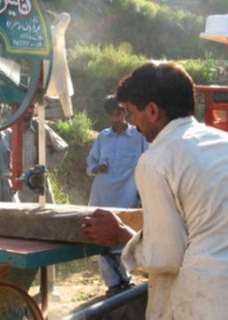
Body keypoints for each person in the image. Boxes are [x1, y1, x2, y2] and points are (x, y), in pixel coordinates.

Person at [82, 62, 228, 319]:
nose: (133, 122)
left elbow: (165, 257)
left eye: (132, 112)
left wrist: (121, 235)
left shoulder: (156, 161)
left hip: (211, 303)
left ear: (153, 111)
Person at [86, 95, 148, 297]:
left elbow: (147, 161)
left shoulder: (139, 137)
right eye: (113, 113)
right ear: (109, 115)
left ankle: (125, 278)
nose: (117, 116)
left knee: (123, 237)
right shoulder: (103, 137)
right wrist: (96, 168)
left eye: (120, 111)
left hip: (127, 195)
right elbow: (91, 163)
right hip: (102, 194)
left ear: (125, 112)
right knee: (102, 239)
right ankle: (112, 283)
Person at [16, 102, 69, 203]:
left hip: (39, 190)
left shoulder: (40, 128)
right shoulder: (9, 131)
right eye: (24, 106)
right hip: (17, 192)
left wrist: (45, 166)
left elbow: (62, 148)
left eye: (31, 107)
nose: (28, 110)